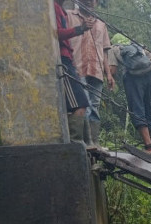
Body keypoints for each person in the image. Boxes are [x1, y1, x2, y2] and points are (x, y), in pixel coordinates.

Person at [66, 0, 114, 150]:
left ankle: (94, 142)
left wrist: (109, 74)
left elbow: (105, 51)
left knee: (94, 105)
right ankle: (85, 142)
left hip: (97, 70)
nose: (89, 1)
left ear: (96, 3)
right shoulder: (69, 16)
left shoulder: (101, 24)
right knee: (83, 104)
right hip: (77, 66)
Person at [108, 34, 151, 155]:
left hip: (133, 79)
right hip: (149, 77)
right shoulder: (138, 46)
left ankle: (149, 147)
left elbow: (113, 70)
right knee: (147, 108)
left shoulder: (113, 48)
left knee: (137, 110)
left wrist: (107, 72)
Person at [54, 0, 93, 143]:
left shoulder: (61, 10)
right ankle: (76, 145)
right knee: (80, 103)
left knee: (81, 104)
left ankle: (83, 144)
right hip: (63, 60)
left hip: (68, 60)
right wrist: (80, 29)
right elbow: (56, 33)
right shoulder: (53, 7)